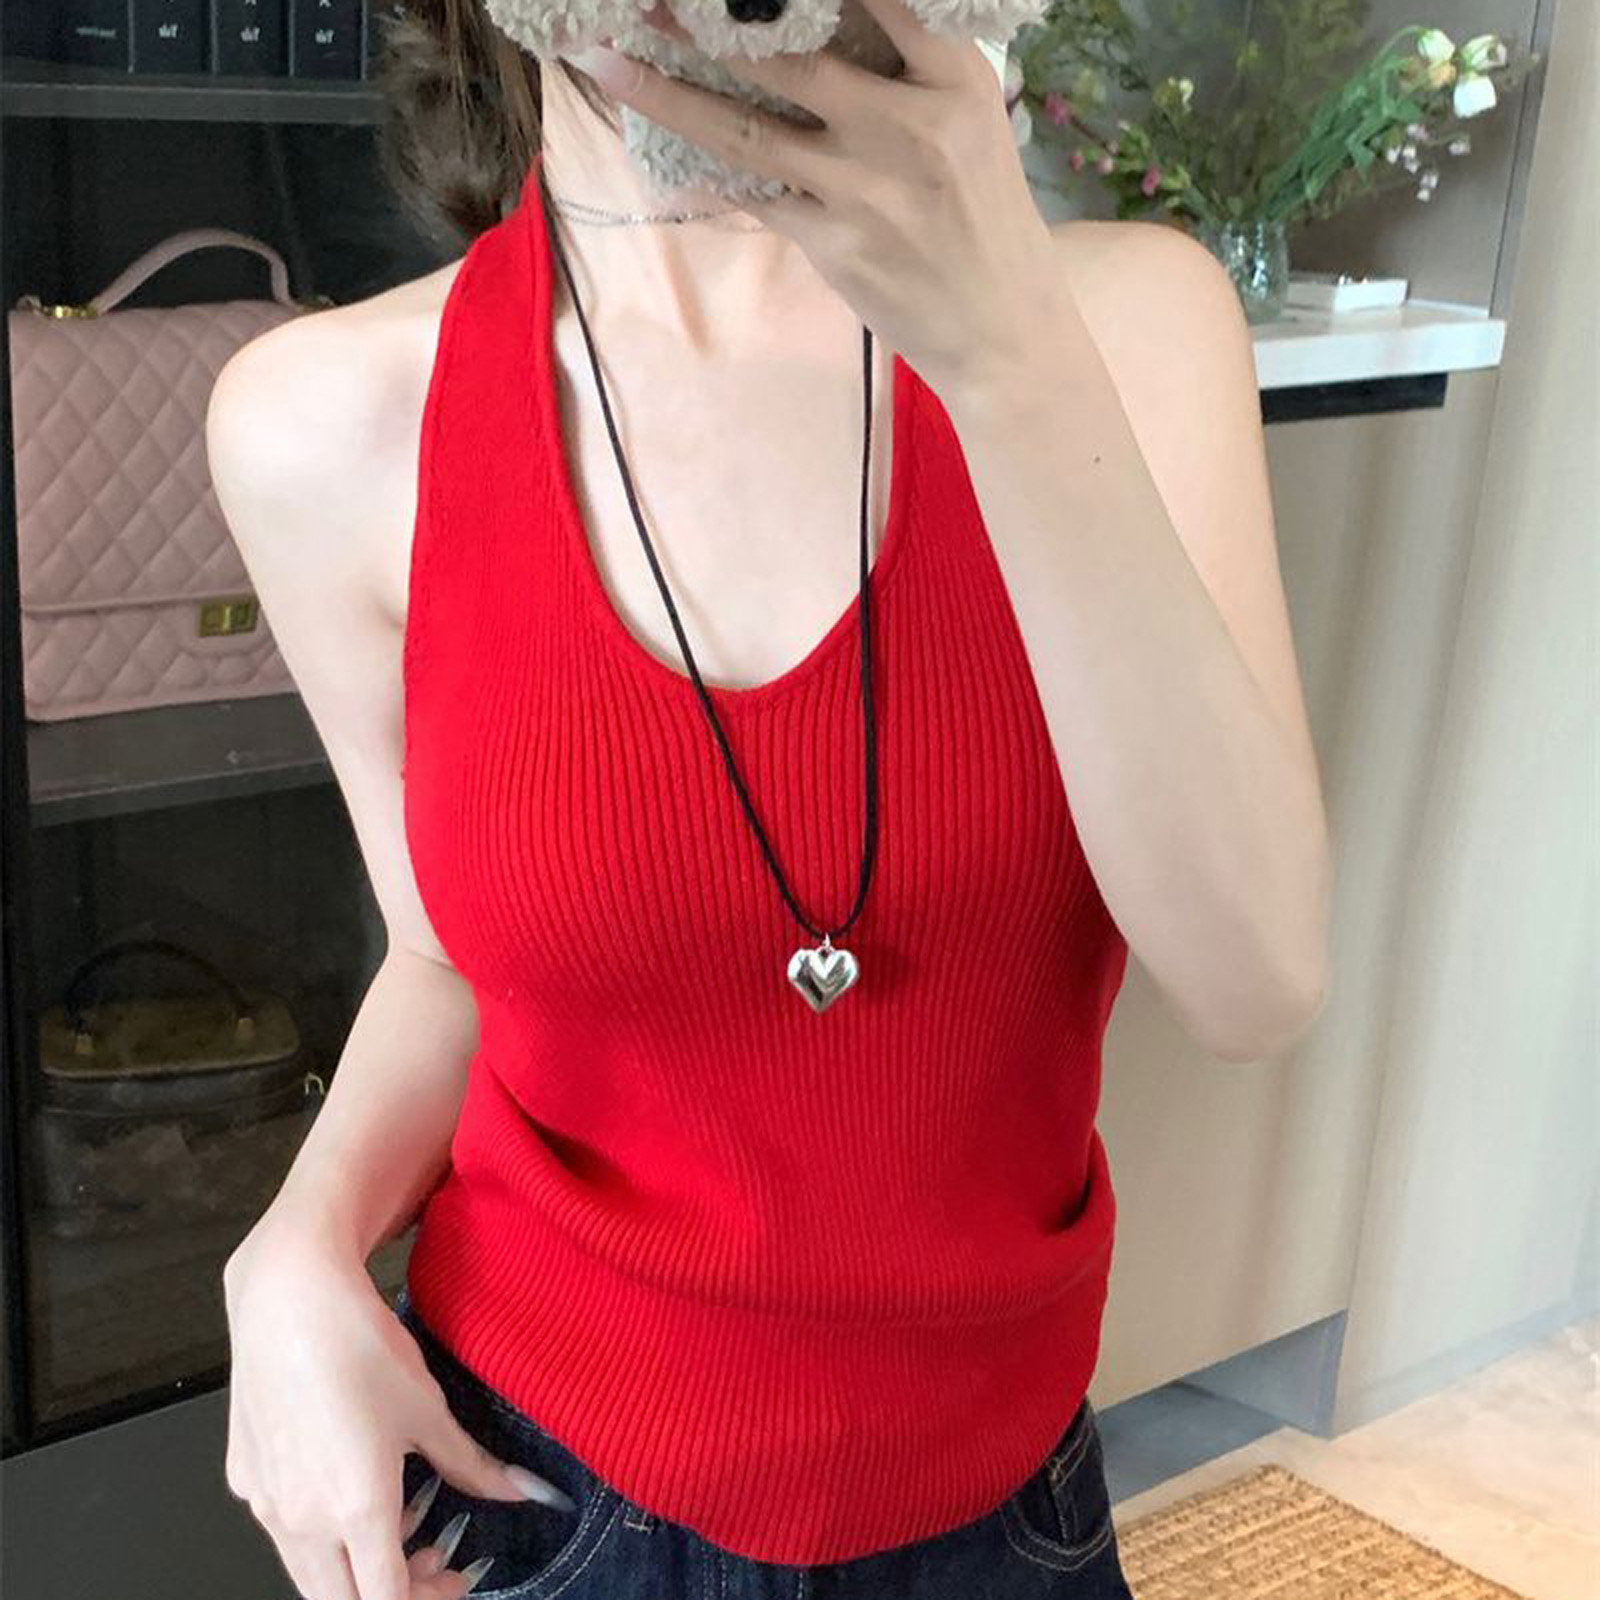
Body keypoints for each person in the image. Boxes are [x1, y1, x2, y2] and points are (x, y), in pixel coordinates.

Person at [207, 0, 1332, 1595]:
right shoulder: (328, 422)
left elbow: (1256, 981)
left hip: (1003, 1501)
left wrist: (1008, 357)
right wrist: (297, 1240)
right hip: (534, 1491)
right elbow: (447, 955)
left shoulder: (1128, 328)